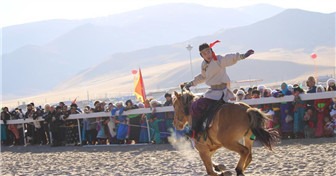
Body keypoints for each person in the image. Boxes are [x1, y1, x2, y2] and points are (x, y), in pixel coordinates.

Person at [182, 42, 254, 137]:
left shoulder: (218, 59)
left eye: (208, 52)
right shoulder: (204, 65)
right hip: (212, 92)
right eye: (204, 54)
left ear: (212, 51)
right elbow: (203, 77)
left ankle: (194, 131)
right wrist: (191, 83)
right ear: (201, 55)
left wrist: (242, 56)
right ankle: (198, 130)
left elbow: (229, 58)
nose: (207, 55)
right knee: (196, 106)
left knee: (195, 105)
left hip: (222, 92)